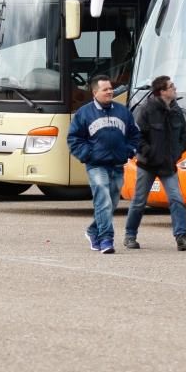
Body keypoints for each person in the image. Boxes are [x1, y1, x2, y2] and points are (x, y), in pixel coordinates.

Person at [123, 75, 186, 251]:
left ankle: (182, 238)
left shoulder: (175, 109)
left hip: (168, 164)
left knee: (176, 199)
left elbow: (182, 135)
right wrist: (148, 152)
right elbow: (136, 136)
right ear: (162, 92)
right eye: (171, 86)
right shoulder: (147, 110)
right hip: (147, 164)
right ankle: (130, 236)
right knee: (139, 201)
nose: (175, 88)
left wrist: (176, 153)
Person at [67, 74, 140, 254]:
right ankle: (106, 239)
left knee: (111, 203)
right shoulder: (84, 113)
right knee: (104, 201)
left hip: (117, 164)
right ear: (95, 92)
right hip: (96, 166)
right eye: (105, 89)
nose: (110, 92)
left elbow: (135, 135)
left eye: (110, 88)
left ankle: (93, 230)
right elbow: (74, 139)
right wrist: (88, 155)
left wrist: (129, 151)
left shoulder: (123, 112)